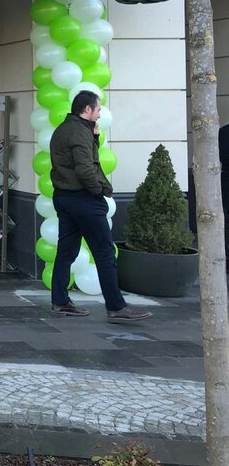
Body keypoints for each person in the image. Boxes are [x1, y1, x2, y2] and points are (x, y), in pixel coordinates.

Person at [49, 91, 152, 323]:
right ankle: (116, 307)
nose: (100, 113)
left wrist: (93, 137)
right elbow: (85, 169)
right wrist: (99, 192)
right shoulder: (79, 132)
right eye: (97, 109)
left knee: (66, 252)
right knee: (105, 253)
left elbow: (75, 159)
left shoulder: (63, 129)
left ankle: (60, 301)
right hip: (84, 199)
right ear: (86, 110)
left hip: (64, 198)